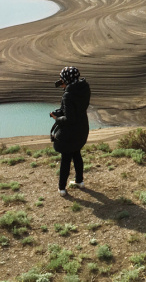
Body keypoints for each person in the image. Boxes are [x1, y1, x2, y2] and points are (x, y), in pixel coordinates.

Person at [50, 66, 91, 196]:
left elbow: (69, 119)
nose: (60, 81)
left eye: (62, 79)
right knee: (77, 154)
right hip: (82, 128)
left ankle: (62, 188)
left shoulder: (68, 95)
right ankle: (80, 181)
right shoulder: (84, 88)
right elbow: (76, 110)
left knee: (66, 158)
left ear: (66, 79)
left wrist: (56, 118)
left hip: (70, 132)